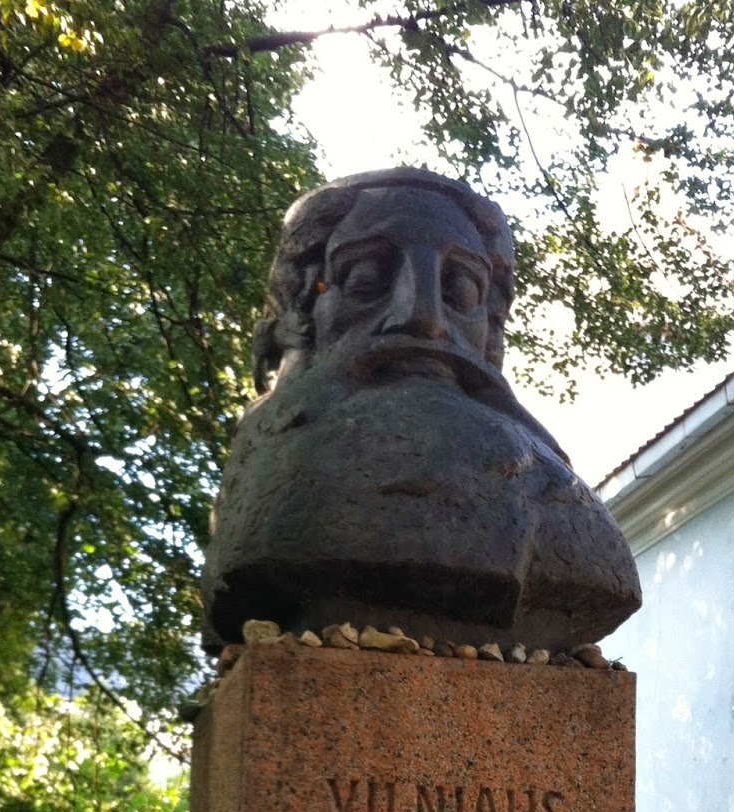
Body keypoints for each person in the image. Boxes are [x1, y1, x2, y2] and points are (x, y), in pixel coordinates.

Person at [201, 167, 640, 652]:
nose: (424, 318)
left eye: (462, 291)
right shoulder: (267, 484)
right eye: (366, 279)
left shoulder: (559, 499)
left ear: (489, 329)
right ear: (302, 315)